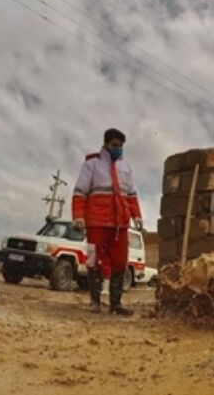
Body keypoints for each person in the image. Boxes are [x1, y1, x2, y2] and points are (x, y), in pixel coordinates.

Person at [72, 128, 143, 315]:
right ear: (105, 144)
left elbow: (132, 195)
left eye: (120, 146)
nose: (118, 149)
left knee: (120, 262)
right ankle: (95, 302)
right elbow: (80, 192)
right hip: (97, 222)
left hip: (120, 224)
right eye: (114, 145)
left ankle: (115, 305)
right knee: (94, 260)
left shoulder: (126, 168)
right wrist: (78, 216)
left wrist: (137, 216)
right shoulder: (92, 164)